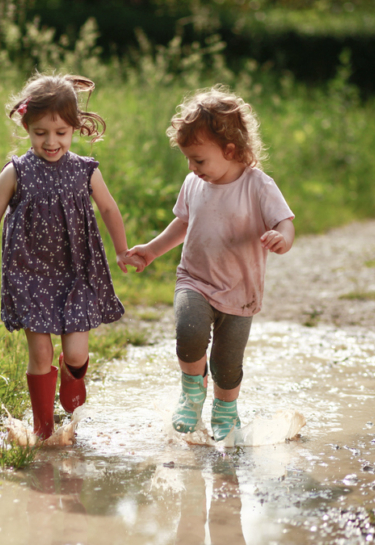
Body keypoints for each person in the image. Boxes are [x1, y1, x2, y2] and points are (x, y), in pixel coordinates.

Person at [0, 73, 142, 440]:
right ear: (26, 126)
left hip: (76, 272)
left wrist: (122, 250)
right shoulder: (16, 172)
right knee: (39, 353)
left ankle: (71, 374)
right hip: (30, 274)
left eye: (60, 132)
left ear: (75, 127)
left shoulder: (85, 170)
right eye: (41, 132)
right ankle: (44, 430)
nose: (51, 141)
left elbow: (108, 209)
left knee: (75, 353)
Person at [127, 85, 295, 441]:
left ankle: (225, 408)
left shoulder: (258, 186)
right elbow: (183, 224)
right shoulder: (193, 184)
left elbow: (285, 222)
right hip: (195, 280)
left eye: (199, 159)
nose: (191, 167)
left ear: (230, 149)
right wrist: (153, 250)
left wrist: (282, 238)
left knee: (226, 363)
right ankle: (191, 394)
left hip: (241, 292)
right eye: (188, 159)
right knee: (188, 333)